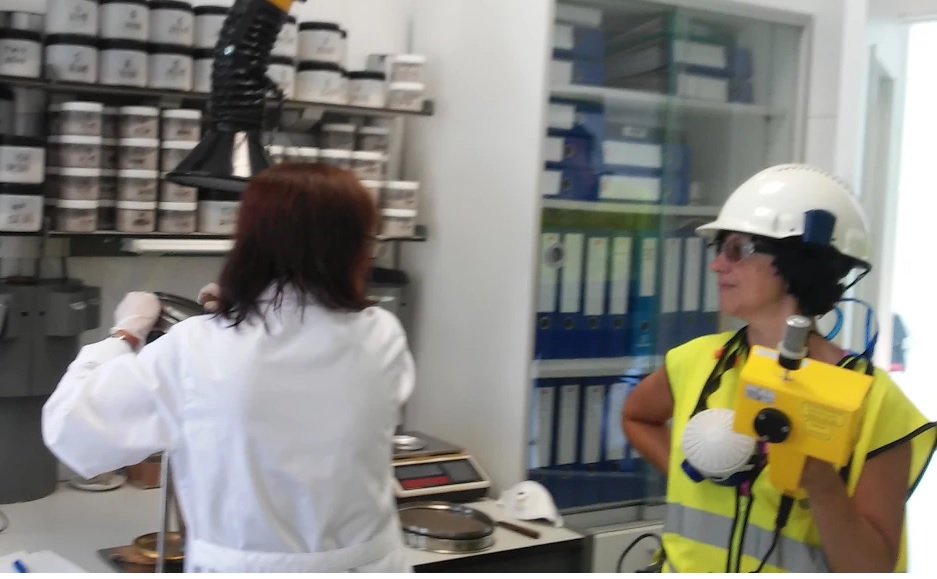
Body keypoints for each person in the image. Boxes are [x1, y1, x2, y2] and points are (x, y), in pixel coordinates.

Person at [41, 163, 416, 573]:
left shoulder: (197, 346)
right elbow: (303, 383)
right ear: (357, 247)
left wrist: (126, 333)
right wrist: (250, 308)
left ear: (250, 241)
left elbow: (71, 428)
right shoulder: (383, 333)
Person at [621, 164, 936, 573]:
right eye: (720, 249)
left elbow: (872, 569)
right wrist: (689, 475)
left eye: (737, 249)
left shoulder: (874, 402)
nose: (717, 266)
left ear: (799, 263)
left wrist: (823, 486)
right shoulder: (696, 361)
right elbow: (636, 416)